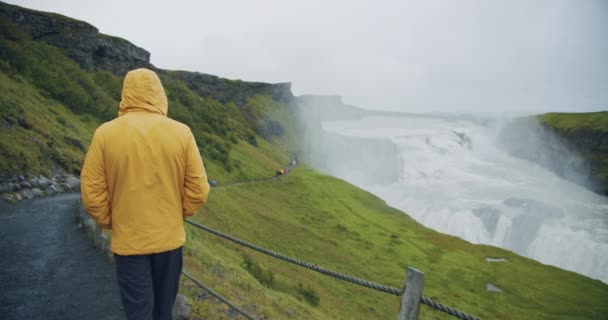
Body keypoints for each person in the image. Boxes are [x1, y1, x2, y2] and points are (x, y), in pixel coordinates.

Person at [81, 68, 210, 320]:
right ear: (159, 94)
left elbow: (92, 193)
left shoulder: (105, 134)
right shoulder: (181, 132)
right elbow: (199, 190)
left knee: (138, 312)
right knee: (164, 312)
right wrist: (175, 215)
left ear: (126, 94)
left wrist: (112, 221)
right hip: (170, 242)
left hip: (129, 243)